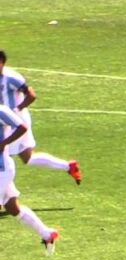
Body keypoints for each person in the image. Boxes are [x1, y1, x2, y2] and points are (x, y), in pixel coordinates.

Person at [0, 51, 82, 185]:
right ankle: (69, 166)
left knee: (5, 154)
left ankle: (5, 193)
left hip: (16, 122)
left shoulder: (11, 77)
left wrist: (17, 109)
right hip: (5, 121)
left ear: (2, 63)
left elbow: (31, 95)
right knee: (28, 158)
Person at [0, 103, 60, 256]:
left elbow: (22, 126)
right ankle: (47, 234)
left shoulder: (1, 111)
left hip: (2, 169)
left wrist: (3, 143)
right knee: (13, 208)